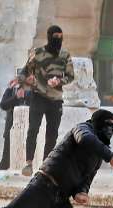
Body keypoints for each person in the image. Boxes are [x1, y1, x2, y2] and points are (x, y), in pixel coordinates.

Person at [19, 25, 74, 176]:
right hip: (38, 97)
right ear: (49, 37)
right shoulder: (37, 54)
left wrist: (59, 81)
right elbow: (23, 73)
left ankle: (46, 165)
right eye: (55, 37)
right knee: (33, 129)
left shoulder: (65, 55)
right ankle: (28, 163)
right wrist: (28, 81)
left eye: (60, 37)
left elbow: (70, 76)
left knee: (52, 134)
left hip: (56, 99)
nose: (58, 40)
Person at [0, 73, 33, 170]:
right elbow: (3, 105)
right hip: (11, 130)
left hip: (30, 132)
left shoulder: (35, 90)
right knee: (6, 160)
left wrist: (25, 95)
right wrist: (15, 96)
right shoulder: (12, 89)